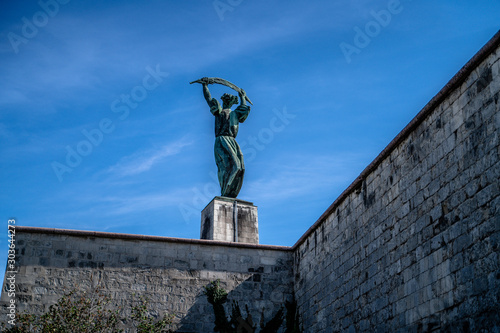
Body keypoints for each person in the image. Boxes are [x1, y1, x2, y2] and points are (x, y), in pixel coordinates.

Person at [201, 78, 250, 198]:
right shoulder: (218, 111)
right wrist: (205, 86)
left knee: (240, 167)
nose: (228, 103)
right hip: (222, 140)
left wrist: (242, 96)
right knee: (229, 166)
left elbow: (243, 107)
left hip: (232, 141)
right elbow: (208, 99)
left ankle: (231, 192)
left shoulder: (235, 113)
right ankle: (225, 191)